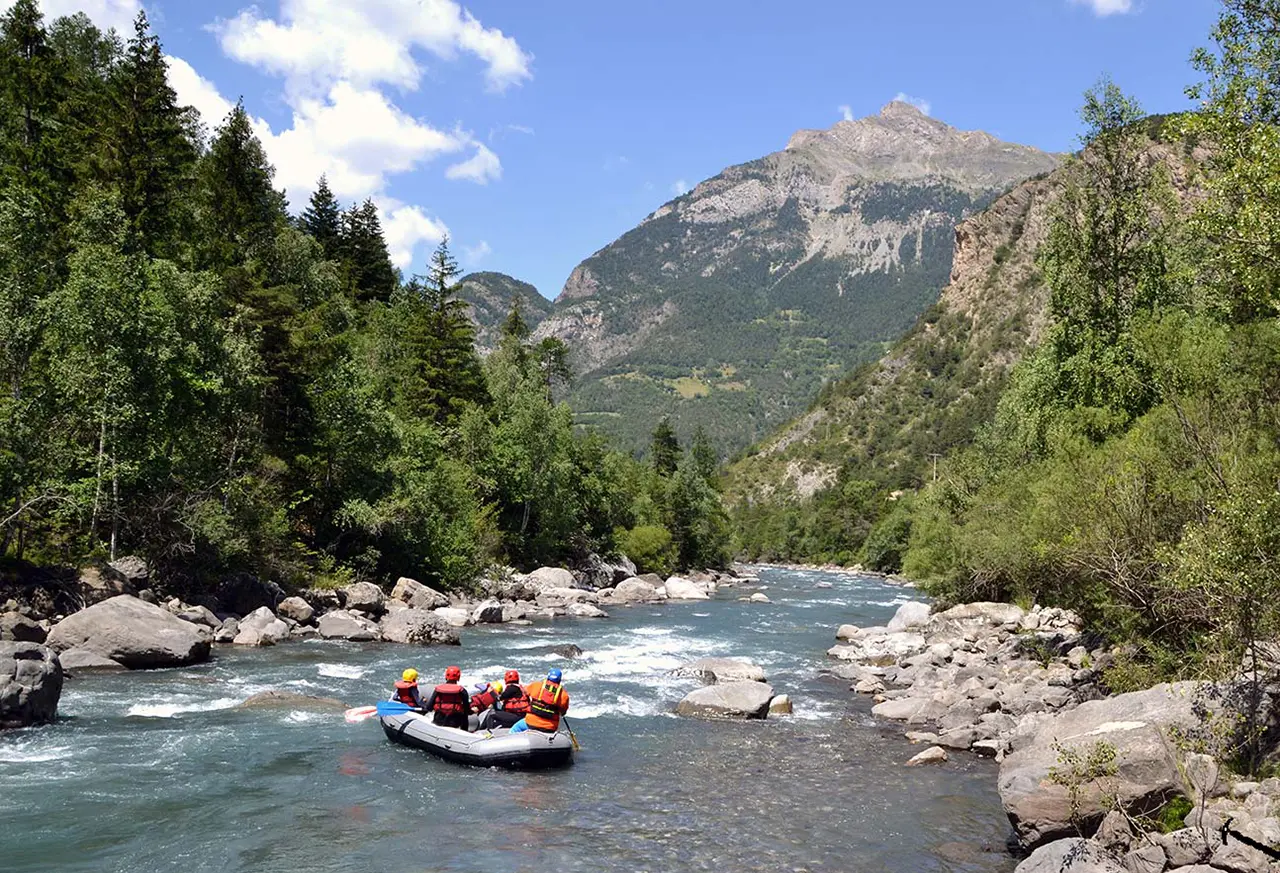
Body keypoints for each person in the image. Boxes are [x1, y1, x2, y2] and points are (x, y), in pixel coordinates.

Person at [511, 668, 569, 734]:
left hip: (531, 723)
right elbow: (563, 712)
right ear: (559, 680)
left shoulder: (536, 685)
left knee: (515, 728)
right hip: (550, 727)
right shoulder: (564, 695)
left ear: (548, 677)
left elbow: (524, 691)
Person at [423, 665, 471, 730]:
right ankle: (465, 731)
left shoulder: (438, 690)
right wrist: (472, 711)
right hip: (454, 723)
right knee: (465, 714)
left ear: (446, 676)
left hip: (438, 721)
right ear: (458, 677)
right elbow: (467, 709)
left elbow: (429, 707)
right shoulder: (462, 691)